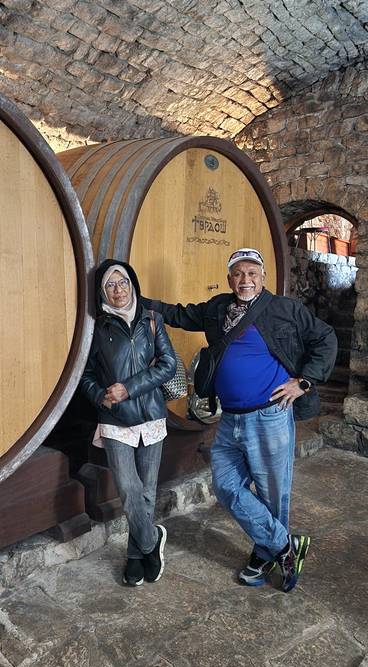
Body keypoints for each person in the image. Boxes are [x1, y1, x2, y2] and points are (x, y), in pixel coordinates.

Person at [142, 247, 337, 593]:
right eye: (238, 274)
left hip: (270, 416)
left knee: (273, 494)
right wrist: (135, 302)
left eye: (252, 273)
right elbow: (178, 314)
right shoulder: (218, 308)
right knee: (226, 486)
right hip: (230, 419)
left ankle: (265, 553)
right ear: (230, 277)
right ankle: (284, 545)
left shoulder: (283, 309)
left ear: (263, 276)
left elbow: (325, 337)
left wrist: (303, 381)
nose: (245, 280)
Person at [80, 259, 177, 587]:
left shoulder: (152, 320)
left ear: (132, 284)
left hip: (150, 414)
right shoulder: (98, 327)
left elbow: (168, 364)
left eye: (122, 282)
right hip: (115, 419)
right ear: (102, 291)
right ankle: (152, 541)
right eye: (110, 285)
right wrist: (99, 396)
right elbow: (86, 374)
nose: (118, 289)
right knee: (129, 489)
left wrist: (129, 388)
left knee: (147, 492)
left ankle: (136, 555)